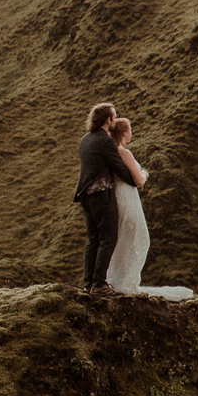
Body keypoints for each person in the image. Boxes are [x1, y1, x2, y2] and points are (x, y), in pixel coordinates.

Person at [105, 116, 192, 300]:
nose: (131, 133)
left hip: (118, 196)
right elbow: (138, 180)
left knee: (124, 238)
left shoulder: (112, 151)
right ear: (124, 133)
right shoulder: (124, 152)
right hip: (128, 197)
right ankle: (126, 283)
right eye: (130, 130)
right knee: (140, 238)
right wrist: (144, 173)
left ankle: (116, 279)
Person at [71, 101, 136, 292]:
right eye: (114, 117)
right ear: (109, 119)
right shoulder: (105, 140)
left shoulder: (86, 139)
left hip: (85, 196)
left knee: (93, 240)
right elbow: (119, 167)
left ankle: (88, 284)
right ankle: (99, 284)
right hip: (102, 194)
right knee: (108, 238)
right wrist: (135, 181)